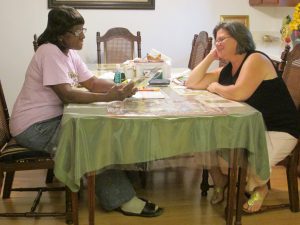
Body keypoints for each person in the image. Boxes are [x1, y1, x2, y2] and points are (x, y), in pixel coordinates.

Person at [9, 6, 163, 217]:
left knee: (100, 130)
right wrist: (109, 97)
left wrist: (122, 85)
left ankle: (120, 191)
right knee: (92, 140)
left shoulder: (68, 53)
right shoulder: (49, 52)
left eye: (83, 29)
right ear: (61, 35)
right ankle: (123, 199)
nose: (83, 35)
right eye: (77, 31)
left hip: (50, 119)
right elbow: (68, 95)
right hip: (35, 128)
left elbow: (91, 82)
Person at [185, 22, 299, 213]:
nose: (218, 43)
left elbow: (239, 93)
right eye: (217, 40)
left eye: (222, 39)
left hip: (278, 129)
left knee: (247, 160)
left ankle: (259, 188)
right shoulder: (229, 68)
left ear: (239, 39)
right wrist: (211, 56)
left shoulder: (256, 59)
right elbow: (192, 82)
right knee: (203, 134)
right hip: (251, 127)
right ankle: (221, 180)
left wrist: (215, 87)